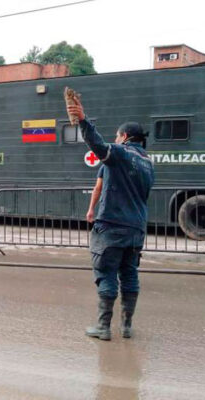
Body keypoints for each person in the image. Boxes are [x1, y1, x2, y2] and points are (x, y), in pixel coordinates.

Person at [67, 100, 155, 341]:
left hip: (112, 226)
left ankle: (103, 327)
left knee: (106, 273)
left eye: (117, 136)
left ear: (124, 136)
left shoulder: (119, 153)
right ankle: (126, 327)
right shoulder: (148, 162)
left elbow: (97, 145)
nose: (115, 140)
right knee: (129, 274)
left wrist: (83, 120)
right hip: (136, 229)